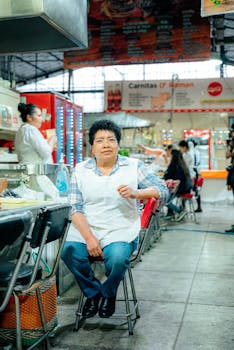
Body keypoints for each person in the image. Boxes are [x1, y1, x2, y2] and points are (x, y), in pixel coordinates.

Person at [62, 120, 168, 319]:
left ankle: (108, 293)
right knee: (68, 251)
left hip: (120, 229)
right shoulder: (81, 170)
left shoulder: (133, 166)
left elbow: (162, 189)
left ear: (118, 144)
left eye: (111, 139)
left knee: (118, 259)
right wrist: (90, 238)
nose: (106, 144)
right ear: (92, 147)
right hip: (87, 229)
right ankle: (93, 294)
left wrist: (137, 193)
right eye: (100, 140)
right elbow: (74, 208)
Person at [164, 149, 192, 221]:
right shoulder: (182, 164)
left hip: (180, 189)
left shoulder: (174, 166)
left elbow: (168, 176)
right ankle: (170, 213)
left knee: (165, 200)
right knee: (168, 195)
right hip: (185, 188)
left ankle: (180, 211)